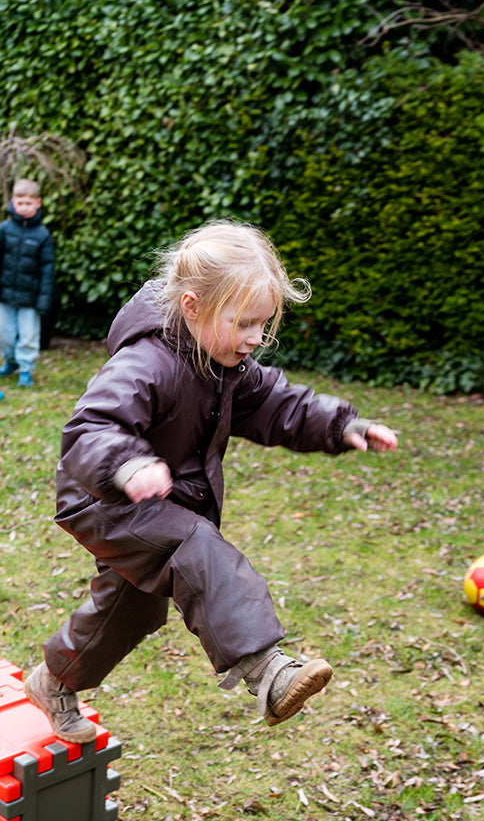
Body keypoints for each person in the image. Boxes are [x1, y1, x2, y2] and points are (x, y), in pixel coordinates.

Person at [24, 221, 397, 743]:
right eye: (244, 323)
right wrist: (127, 465)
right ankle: (266, 669)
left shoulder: (223, 361)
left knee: (131, 608)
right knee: (197, 547)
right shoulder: (145, 362)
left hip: (158, 500)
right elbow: (90, 428)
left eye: (263, 324)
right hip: (107, 496)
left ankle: (54, 680)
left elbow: (276, 402)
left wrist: (340, 425)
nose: (255, 339)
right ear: (193, 307)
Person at [0, 178, 55, 387]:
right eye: (20, 203)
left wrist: (43, 300)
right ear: (13, 202)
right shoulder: (4, 229)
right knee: (2, 334)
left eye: (28, 203)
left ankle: (25, 369)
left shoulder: (43, 235)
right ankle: (10, 362)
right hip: (6, 295)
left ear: (38, 203)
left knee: (28, 336)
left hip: (30, 298)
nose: (23, 208)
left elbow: (47, 270)